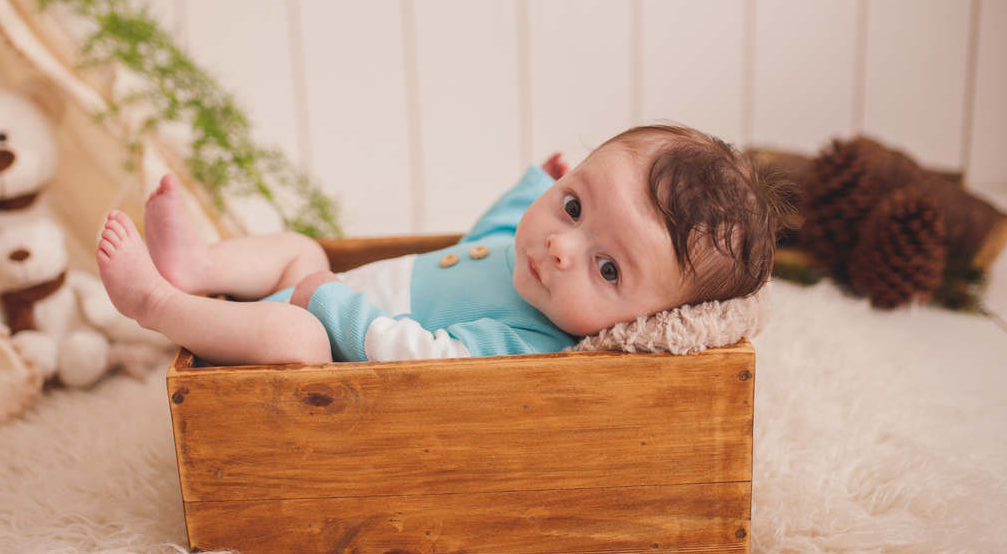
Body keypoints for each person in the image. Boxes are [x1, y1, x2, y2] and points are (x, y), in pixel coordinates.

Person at [96, 124, 790, 366]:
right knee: (302, 247)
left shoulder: (533, 342)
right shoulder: (533, 252)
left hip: (314, 342)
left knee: (296, 339)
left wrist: (330, 306)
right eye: (574, 204)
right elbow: (497, 227)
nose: (558, 248)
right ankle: (196, 267)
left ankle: (154, 303)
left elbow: (421, 358)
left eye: (607, 267)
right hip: (311, 289)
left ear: (642, 321)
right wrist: (535, 183)